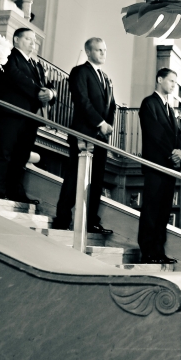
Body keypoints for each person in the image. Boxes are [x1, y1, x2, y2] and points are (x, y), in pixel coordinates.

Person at [52, 38, 115, 235]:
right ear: (88, 52)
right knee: (74, 177)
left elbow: (111, 106)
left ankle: (91, 222)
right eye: (99, 50)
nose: (103, 53)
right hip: (84, 133)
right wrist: (100, 123)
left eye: (105, 50)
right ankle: (62, 219)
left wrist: (108, 125)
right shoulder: (80, 71)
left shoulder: (106, 77)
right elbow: (82, 100)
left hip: (101, 137)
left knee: (97, 181)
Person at [0, 28, 55, 203]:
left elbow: (48, 85)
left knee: (21, 157)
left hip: (29, 118)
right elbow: (15, 77)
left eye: (34, 40)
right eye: (28, 39)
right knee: (2, 153)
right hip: (8, 114)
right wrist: (39, 91)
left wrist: (50, 93)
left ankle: (15, 192)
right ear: (16, 40)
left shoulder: (37, 65)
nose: (33, 43)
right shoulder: (8, 56)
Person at [137, 68, 181, 265]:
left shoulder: (170, 108)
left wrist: (179, 151)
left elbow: (177, 135)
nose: (174, 85)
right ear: (159, 80)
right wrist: (171, 153)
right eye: (171, 80)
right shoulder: (149, 103)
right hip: (156, 165)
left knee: (164, 211)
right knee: (151, 209)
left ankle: (159, 250)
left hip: (169, 166)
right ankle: (148, 251)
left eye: (176, 82)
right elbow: (154, 134)